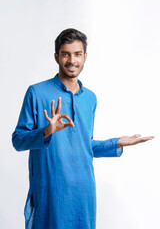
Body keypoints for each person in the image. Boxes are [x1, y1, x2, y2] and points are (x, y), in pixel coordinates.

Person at [12, 28, 154, 229]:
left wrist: (118, 142)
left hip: (83, 193)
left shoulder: (90, 98)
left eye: (77, 54)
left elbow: (83, 146)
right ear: (56, 57)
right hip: (51, 192)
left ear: (85, 56)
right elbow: (18, 140)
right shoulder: (37, 93)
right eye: (66, 54)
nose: (72, 60)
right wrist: (46, 131)